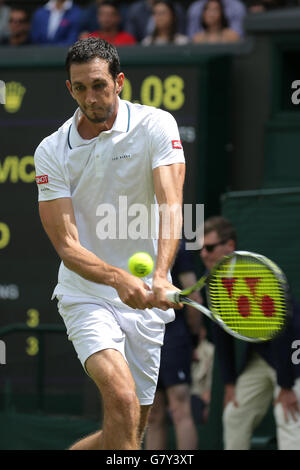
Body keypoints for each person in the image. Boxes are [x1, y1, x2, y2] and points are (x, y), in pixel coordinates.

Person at [33, 37, 185, 450]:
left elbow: (171, 205)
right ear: (69, 89)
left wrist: (159, 274)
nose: (90, 96)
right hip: (87, 296)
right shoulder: (51, 151)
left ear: (119, 82)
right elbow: (66, 244)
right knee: (119, 398)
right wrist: (118, 278)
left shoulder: (156, 125)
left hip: (148, 303)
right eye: (79, 88)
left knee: (128, 429)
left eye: (99, 85)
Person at [200, 215, 300, 450]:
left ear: (230, 245)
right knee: (234, 415)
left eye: (210, 247)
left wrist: (286, 386)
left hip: (291, 354)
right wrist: (229, 383)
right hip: (260, 356)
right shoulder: (214, 283)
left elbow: (286, 331)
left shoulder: (256, 273)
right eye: (201, 249)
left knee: (288, 416)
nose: (204, 254)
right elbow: (222, 335)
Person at [145, 239, 200, 450]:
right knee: (153, 415)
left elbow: (192, 296)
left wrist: (193, 338)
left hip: (174, 338)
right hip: (143, 337)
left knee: (179, 410)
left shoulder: (177, 245)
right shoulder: (129, 242)